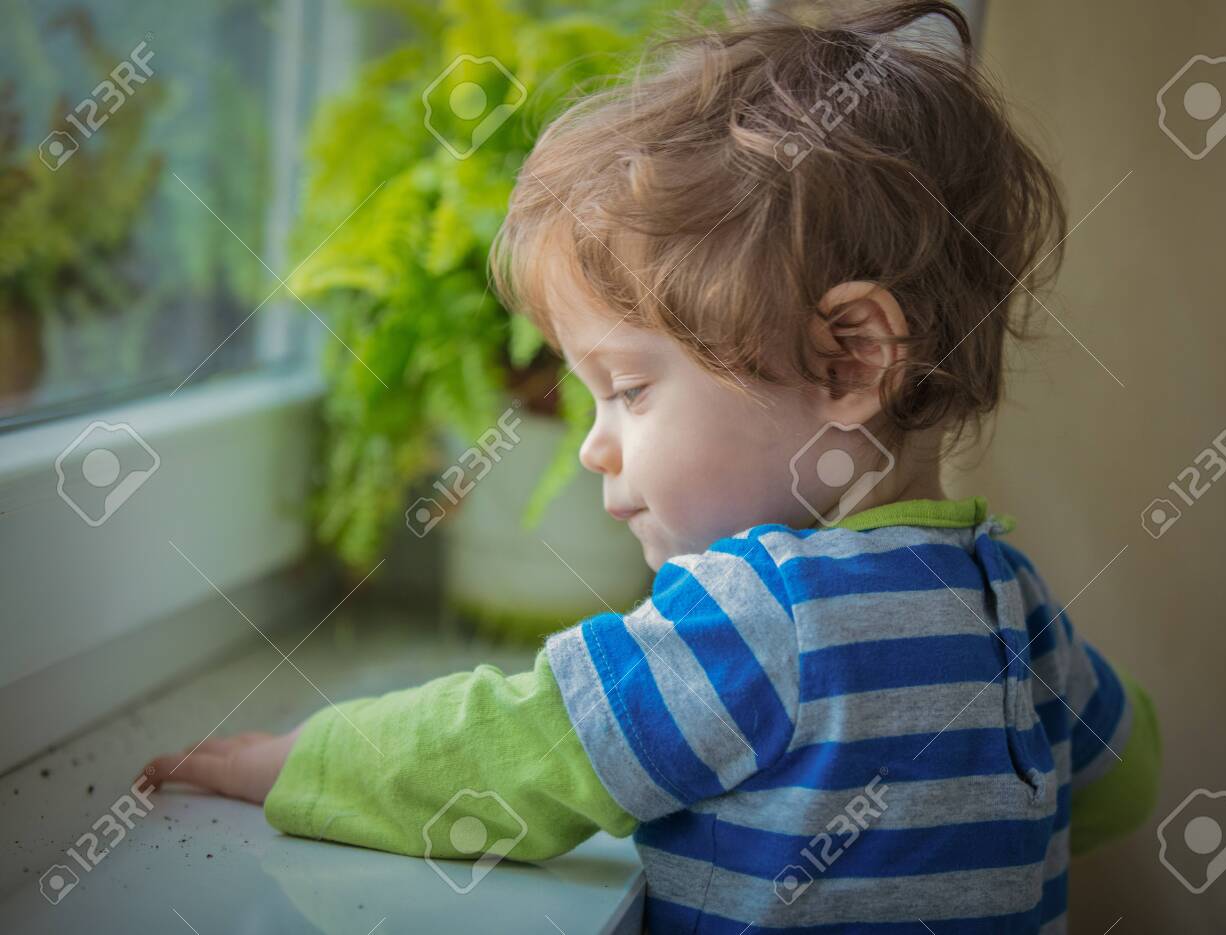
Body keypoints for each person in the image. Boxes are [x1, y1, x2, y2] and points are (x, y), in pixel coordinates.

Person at [140, 2, 1161, 930]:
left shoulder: (761, 616)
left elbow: (510, 750)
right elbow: (1124, 774)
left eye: (627, 387)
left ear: (849, 358)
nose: (592, 441)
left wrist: (298, 761)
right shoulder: (1011, 601)